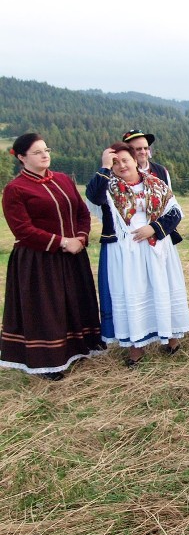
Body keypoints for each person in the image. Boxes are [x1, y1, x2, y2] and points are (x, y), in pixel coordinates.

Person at [0, 133, 103, 380]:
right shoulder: (15, 189)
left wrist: (80, 237)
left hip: (73, 255)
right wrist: (61, 242)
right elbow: (23, 230)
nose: (45, 154)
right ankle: (49, 363)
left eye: (46, 149)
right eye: (37, 152)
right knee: (47, 309)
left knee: (74, 303)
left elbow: (82, 212)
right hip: (39, 260)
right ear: (22, 158)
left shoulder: (64, 180)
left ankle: (78, 350)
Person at [85, 142, 189, 366]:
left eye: (125, 160)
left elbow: (175, 212)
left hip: (156, 247)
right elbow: (93, 197)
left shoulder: (156, 184)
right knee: (132, 292)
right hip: (124, 252)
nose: (121, 165)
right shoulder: (107, 187)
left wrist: (153, 228)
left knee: (161, 289)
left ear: (135, 160)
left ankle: (170, 336)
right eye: (115, 162)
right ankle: (136, 345)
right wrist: (104, 168)